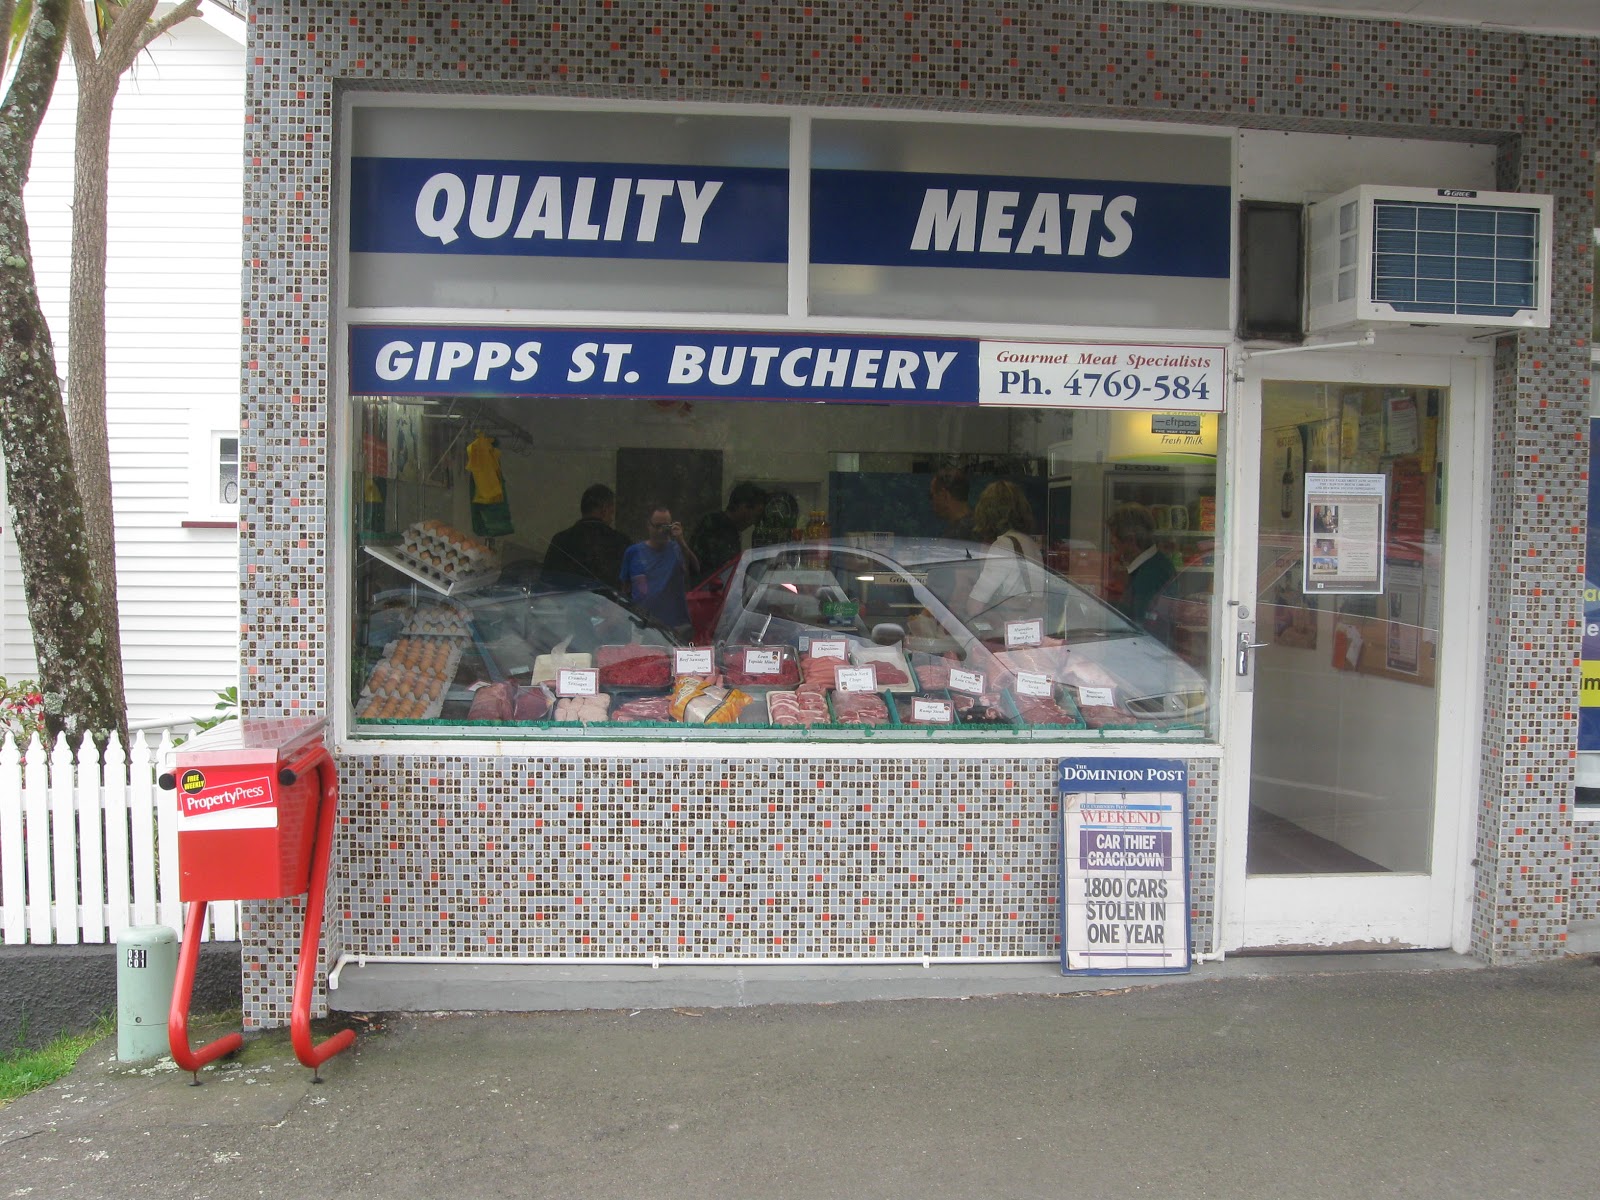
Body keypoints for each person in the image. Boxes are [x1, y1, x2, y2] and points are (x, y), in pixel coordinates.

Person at [965, 480, 1043, 614]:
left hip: (1005, 628)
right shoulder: (1030, 543)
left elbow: (975, 605)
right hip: (1030, 624)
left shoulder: (1003, 545)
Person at [621, 504, 699, 636]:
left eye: (665, 527)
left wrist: (681, 540)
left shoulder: (677, 549)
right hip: (642, 626)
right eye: (657, 526)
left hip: (676, 627)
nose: (661, 531)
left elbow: (696, 569)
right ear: (648, 525)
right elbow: (625, 588)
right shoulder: (633, 552)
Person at [541, 483, 631, 589]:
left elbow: (547, 582)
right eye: (612, 511)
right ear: (605, 510)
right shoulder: (620, 541)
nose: (611, 518)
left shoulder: (560, 540)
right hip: (609, 604)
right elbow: (631, 585)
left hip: (567, 604)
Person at [1108, 502, 1177, 625]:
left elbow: (1140, 624)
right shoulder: (1154, 565)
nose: (1112, 541)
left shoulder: (1151, 574)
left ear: (1131, 539)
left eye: (1114, 535)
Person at [688, 482, 767, 583]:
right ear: (744, 507)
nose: (753, 522)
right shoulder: (713, 526)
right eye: (755, 515)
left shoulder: (731, 531)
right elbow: (719, 569)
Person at [929, 465, 978, 542]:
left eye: (931, 496)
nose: (931, 502)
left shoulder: (955, 538)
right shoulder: (981, 526)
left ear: (944, 495)